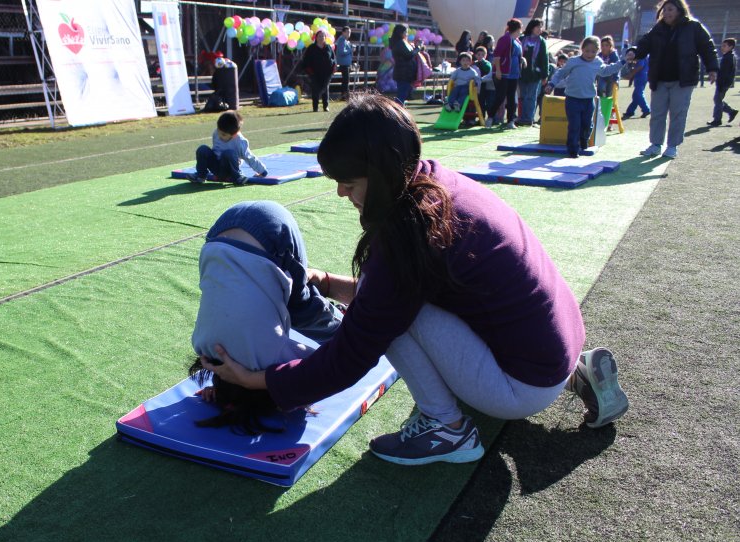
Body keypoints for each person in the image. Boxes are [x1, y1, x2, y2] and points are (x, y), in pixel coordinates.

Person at [201, 94, 629, 466]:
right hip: (556, 346)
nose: (340, 194)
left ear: (382, 172)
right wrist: (331, 283)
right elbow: (415, 291)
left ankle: (447, 429)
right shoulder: (434, 182)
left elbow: (352, 352)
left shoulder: (411, 231)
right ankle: (580, 373)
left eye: (348, 183)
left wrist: (256, 381)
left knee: (392, 318)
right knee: (392, 303)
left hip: (524, 385)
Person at [190, 201, 342, 432]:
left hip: (270, 232)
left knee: (306, 314)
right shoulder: (205, 352)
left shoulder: (269, 358)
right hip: (217, 239)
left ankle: (341, 321)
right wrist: (217, 387)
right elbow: (231, 338)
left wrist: (293, 395)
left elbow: (320, 369)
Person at [634, 0, 718, 159]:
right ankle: (655, 144)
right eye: (664, 10)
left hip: (683, 80)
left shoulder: (693, 27)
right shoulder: (658, 29)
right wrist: (634, 53)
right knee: (658, 113)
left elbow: (707, 47)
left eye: (670, 9)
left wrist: (712, 68)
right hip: (659, 79)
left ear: (679, 10)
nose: (666, 13)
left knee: (678, 113)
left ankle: (672, 146)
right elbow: (644, 44)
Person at [548, 36, 627, 158]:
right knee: (574, 124)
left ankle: (584, 139)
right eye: (587, 51)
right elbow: (561, 73)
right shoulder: (573, 61)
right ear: (582, 49)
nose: (590, 54)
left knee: (587, 124)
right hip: (572, 98)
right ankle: (573, 149)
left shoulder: (597, 62)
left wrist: (622, 62)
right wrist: (552, 84)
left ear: (597, 51)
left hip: (588, 99)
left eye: (593, 52)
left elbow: (607, 70)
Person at [186, 110, 267, 185]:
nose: (220, 136)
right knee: (202, 149)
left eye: (224, 134)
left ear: (234, 134)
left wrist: (262, 171)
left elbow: (249, 157)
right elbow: (215, 151)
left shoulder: (240, 141)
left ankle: (238, 177)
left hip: (229, 170)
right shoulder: (217, 133)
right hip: (216, 167)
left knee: (228, 153)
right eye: (219, 131)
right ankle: (201, 176)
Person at [490, 19, 524, 129]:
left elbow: (518, 55)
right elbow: (497, 56)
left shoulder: (517, 41)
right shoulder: (504, 39)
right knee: (500, 96)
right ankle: (490, 117)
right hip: (504, 73)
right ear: (517, 28)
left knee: (511, 98)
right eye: (520, 28)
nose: (521, 30)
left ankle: (510, 121)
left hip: (514, 74)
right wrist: (498, 70)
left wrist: (522, 60)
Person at [516, 18, 548, 126]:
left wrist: (544, 75)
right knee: (523, 95)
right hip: (522, 72)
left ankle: (528, 118)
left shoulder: (542, 41)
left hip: (535, 73)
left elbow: (544, 58)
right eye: (538, 27)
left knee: (531, 96)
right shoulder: (522, 39)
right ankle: (521, 117)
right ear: (532, 27)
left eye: (541, 27)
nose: (540, 29)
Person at [302, 30, 336, 112]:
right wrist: (309, 71)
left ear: (325, 38)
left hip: (326, 73)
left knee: (326, 89)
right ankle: (315, 107)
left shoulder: (328, 47)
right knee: (315, 90)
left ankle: (326, 106)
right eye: (319, 36)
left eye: (323, 36)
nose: (321, 38)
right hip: (314, 73)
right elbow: (306, 60)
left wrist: (333, 67)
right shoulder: (311, 48)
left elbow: (333, 58)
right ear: (316, 38)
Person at [709, 38, 737, 126]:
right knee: (718, 100)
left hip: (724, 82)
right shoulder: (729, 56)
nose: (722, 47)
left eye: (724, 46)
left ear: (731, 47)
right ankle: (731, 112)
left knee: (718, 100)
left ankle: (717, 119)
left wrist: (721, 83)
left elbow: (724, 73)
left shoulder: (728, 58)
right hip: (725, 82)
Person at [389, 24, 419, 105]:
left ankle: (399, 109)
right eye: (406, 32)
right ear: (400, 33)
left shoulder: (400, 42)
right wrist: (417, 49)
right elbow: (408, 55)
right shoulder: (399, 43)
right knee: (402, 94)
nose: (407, 34)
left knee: (404, 93)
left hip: (405, 72)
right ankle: (397, 110)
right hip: (403, 72)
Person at [621, 46, 651, 119]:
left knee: (638, 94)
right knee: (636, 95)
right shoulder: (643, 56)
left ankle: (646, 109)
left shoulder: (641, 56)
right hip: (641, 76)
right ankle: (630, 111)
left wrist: (631, 74)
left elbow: (640, 66)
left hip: (641, 76)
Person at [474, 46, 495, 117]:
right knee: (480, 102)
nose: (480, 56)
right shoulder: (474, 64)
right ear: (475, 55)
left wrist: (482, 62)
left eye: (483, 55)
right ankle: (481, 117)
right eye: (479, 54)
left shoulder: (487, 63)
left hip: (486, 85)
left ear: (486, 55)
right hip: (478, 86)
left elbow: (488, 69)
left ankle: (490, 116)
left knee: (488, 102)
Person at [335, 26, 354, 101]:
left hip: (346, 64)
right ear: (343, 32)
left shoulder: (345, 41)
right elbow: (341, 52)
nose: (349, 34)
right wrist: (351, 50)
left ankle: (345, 95)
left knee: (346, 80)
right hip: (343, 64)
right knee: (345, 81)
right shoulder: (342, 40)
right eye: (347, 32)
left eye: (350, 32)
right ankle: (344, 96)